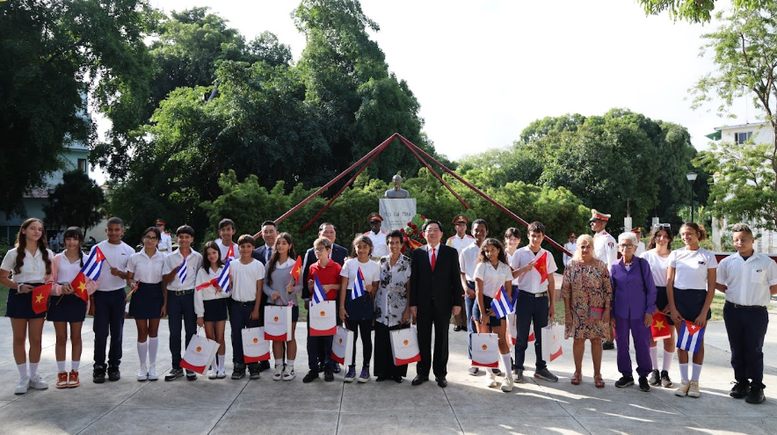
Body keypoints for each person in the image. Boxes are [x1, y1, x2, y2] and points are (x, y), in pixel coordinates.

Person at [716, 223, 777, 404]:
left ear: (752, 240)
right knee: (737, 348)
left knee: (754, 349)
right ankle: (741, 382)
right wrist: (732, 292)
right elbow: (718, 283)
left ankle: (757, 386)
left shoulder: (766, 262)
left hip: (756, 313)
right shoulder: (728, 262)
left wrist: (761, 295)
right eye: (736, 240)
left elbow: (775, 284)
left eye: (743, 239)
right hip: (733, 311)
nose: (739, 243)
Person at [0, 218, 54, 394]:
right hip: (19, 296)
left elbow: (51, 278)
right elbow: (2, 277)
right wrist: (19, 286)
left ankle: (34, 375)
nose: (37, 232)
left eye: (40, 229)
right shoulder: (13, 253)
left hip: (38, 296)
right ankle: (23, 377)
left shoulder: (47, 253)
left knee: (36, 339)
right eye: (32, 228)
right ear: (23, 230)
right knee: (19, 338)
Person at [409, 220, 464, 388]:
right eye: (429, 230)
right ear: (424, 234)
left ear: (441, 234)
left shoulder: (451, 252)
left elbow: (456, 278)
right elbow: (414, 280)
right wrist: (413, 303)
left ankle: (441, 373)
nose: (432, 233)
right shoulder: (418, 253)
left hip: (443, 303)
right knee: (422, 337)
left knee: (442, 339)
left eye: (435, 230)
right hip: (423, 303)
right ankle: (422, 372)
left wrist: (457, 302)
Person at [666, 222, 717, 398]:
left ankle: (695, 382)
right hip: (679, 301)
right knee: (682, 343)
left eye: (689, 233)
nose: (686, 237)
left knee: (697, 343)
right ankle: (684, 381)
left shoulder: (708, 256)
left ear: (698, 234)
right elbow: (669, 283)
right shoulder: (675, 254)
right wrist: (672, 308)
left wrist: (704, 312)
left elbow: (711, 287)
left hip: (698, 302)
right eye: (682, 234)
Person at [48, 226, 98, 389]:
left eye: (75, 239)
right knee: (61, 338)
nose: (72, 242)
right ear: (64, 240)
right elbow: (49, 281)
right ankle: (62, 373)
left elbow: (94, 281)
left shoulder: (87, 259)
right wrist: (59, 289)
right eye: (69, 239)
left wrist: (81, 291)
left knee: (76, 337)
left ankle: (74, 372)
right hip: (59, 300)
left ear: (80, 241)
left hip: (77, 300)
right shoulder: (56, 259)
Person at [509, 221, 558, 383]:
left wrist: (552, 304)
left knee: (541, 335)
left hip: (542, 299)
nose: (535, 239)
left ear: (543, 237)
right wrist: (524, 269)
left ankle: (541, 367)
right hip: (524, 297)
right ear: (528, 236)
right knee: (522, 335)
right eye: (533, 236)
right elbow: (510, 276)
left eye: (538, 236)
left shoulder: (547, 255)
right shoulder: (520, 254)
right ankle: (518, 367)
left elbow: (551, 280)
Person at [561, 234, 612, 388]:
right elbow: (566, 290)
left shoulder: (600, 266)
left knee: (596, 339)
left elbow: (608, 289)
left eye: (588, 246)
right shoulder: (571, 265)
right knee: (578, 339)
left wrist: (607, 309)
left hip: (596, 309)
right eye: (582, 246)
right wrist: (568, 312)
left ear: (592, 248)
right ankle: (578, 372)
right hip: (578, 310)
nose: (585, 249)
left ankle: (597, 374)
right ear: (578, 248)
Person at [610, 232, 657, 392]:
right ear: (618, 247)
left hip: (640, 313)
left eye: (629, 245)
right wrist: (611, 314)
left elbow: (651, 289)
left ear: (635, 247)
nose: (626, 248)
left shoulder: (642, 264)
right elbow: (611, 292)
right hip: (621, 313)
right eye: (623, 245)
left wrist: (650, 311)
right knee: (621, 344)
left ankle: (643, 375)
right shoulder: (615, 266)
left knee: (642, 344)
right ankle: (626, 375)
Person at [90, 217, 135, 383]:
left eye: (117, 230)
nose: (114, 233)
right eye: (110, 230)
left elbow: (131, 275)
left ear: (123, 231)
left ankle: (114, 365)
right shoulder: (97, 249)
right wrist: (92, 299)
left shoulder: (129, 250)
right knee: (100, 333)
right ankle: (99, 366)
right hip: (100, 295)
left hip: (118, 294)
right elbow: (89, 275)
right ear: (106, 231)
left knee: (117, 333)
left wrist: (121, 273)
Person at [301, 223, 348, 373]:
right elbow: (305, 278)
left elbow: (344, 281)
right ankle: (317, 364)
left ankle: (331, 363)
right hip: (316, 303)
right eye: (325, 232)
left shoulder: (342, 253)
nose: (328, 234)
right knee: (314, 335)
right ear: (319, 233)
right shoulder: (311, 257)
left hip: (332, 303)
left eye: (331, 232)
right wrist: (307, 296)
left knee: (331, 335)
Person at [162, 225, 203, 381]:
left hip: (190, 296)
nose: (184, 240)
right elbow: (165, 281)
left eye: (187, 237)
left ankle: (190, 365)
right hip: (174, 296)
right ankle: (176, 366)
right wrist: (175, 270)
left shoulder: (197, 257)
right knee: (174, 332)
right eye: (181, 237)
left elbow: (200, 278)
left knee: (191, 332)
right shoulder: (169, 258)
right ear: (177, 239)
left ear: (192, 239)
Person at [474, 238, 515, 391]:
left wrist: (497, 308)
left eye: (492, 250)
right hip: (482, 304)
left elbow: (509, 292)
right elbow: (478, 291)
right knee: (485, 341)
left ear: (499, 250)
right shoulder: (481, 267)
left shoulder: (505, 268)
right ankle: (489, 374)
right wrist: (484, 312)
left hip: (499, 304)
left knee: (501, 341)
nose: (489, 253)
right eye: (486, 250)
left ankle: (508, 377)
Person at [126, 226, 166, 382]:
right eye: (147, 237)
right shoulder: (134, 258)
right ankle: (142, 366)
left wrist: (165, 303)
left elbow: (165, 282)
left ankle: (153, 366)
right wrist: (131, 284)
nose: (150, 240)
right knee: (142, 332)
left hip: (156, 294)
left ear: (158, 241)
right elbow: (129, 278)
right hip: (140, 293)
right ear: (143, 238)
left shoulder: (163, 258)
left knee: (153, 331)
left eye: (154, 238)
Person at [339, 235, 380, 383]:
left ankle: (365, 368)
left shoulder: (375, 266)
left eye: (365, 246)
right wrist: (341, 307)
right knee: (351, 338)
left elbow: (376, 287)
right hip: (350, 303)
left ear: (370, 248)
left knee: (366, 338)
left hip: (365, 303)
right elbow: (343, 287)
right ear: (355, 248)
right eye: (359, 247)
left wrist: (372, 288)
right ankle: (351, 368)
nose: (362, 249)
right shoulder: (349, 264)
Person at [373, 229, 412, 383]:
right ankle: (382, 372)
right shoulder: (381, 261)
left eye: (396, 242)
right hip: (382, 307)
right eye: (390, 243)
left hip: (399, 308)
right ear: (387, 244)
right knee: (382, 340)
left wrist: (408, 309)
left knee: (398, 340)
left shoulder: (408, 262)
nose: (393, 245)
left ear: (401, 244)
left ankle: (397, 373)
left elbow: (409, 288)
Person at [264, 232, 303, 381]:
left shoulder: (295, 265)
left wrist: (293, 289)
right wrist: (271, 292)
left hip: (290, 306)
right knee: (276, 337)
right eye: (278, 243)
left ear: (290, 245)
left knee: (290, 337)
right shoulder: (270, 264)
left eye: (284, 243)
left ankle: (290, 367)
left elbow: (301, 285)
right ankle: (279, 365)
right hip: (273, 306)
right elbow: (265, 285)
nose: (281, 246)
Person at [641, 225, 676, 388]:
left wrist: (671, 302)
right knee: (652, 336)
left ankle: (665, 372)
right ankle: (654, 370)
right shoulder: (645, 256)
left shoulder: (675, 256)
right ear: (653, 238)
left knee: (669, 337)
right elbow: (641, 282)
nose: (662, 239)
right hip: (651, 296)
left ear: (670, 238)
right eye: (658, 235)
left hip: (669, 296)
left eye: (665, 236)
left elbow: (676, 280)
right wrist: (650, 304)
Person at [228, 234, 264, 380]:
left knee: (252, 336)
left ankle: (253, 365)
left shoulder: (258, 265)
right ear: (238, 248)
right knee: (236, 336)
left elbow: (259, 290)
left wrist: (256, 309)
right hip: (236, 305)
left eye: (249, 246)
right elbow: (229, 286)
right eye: (242, 246)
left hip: (251, 306)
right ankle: (239, 364)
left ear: (253, 248)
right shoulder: (232, 265)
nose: (245, 249)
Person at [195, 241, 229, 379]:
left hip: (220, 304)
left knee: (220, 337)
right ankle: (213, 367)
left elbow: (229, 291)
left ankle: (221, 367)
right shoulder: (202, 271)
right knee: (210, 338)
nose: (211, 256)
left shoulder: (224, 269)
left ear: (218, 253)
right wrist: (200, 314)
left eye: (214, 253)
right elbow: (198, 294)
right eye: (208, 254)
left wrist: (222, 290)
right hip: (207, 306)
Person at [459, 219, 489, 374]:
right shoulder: (466, 251)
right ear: (471, 232)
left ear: (487, 232)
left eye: (482, 230)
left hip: (488, 289)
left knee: (489, 325)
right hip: (471, 289)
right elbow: (462, 272)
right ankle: (474, 360)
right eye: (476, 230)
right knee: (473, 325)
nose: (479, 233)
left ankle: (491, 361)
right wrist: (465, 287)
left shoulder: (491, 250)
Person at [251, 219, 279, 373]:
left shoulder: (283, 251)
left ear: (277, 233)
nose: (268, 234)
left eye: (271, 231)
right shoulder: (255, 253)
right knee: (261, 328)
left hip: (279, 298)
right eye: (265, 232)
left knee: (279, 330)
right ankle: (263, 359)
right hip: (261, 298)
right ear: (261, 234)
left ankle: (281, 361)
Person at [589, 209, 617, 350]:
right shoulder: (594, 238)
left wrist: (608, 281)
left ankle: (609, 338)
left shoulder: (608, 239)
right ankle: (598, 334)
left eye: (594, 222)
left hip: (603, 279)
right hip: (593, 278)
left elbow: (612, 262)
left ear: (601, 223)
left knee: (606, 308)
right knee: (594, 307)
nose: (591, 224)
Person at [447, 215, 474, 332]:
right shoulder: (451, 240)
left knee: (467, 296)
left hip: (468, 271)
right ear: (455, 227)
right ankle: (457, 322)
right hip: (455, 272)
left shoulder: (471, 240)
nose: (461, 227)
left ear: (466, 227)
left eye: (463, 225)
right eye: (459, 225)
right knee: (456, 296)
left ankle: (466, 323)